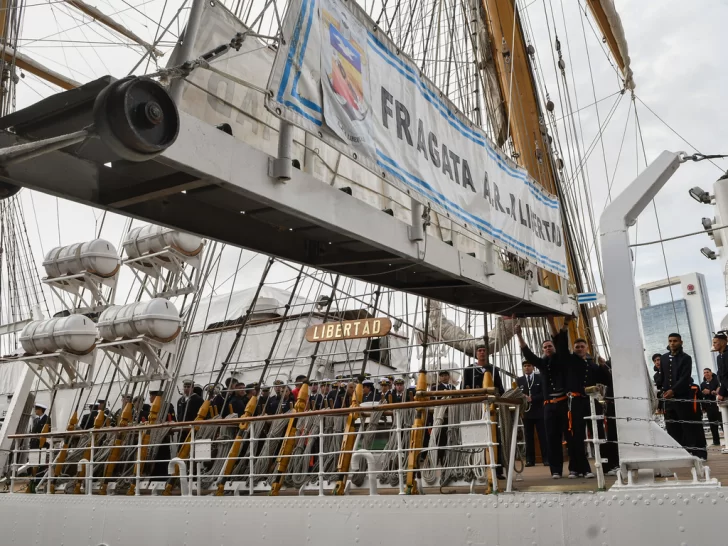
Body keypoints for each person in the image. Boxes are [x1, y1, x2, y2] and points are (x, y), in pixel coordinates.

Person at [516, 316, 574, 479]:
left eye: (550, 346)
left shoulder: (561, 359)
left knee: (570, 437)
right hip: (548, 406)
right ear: (543, 350)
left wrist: (550, 320)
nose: (548, 348)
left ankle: (574, 468)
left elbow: (560, 340)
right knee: (551, 438)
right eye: (545, 347)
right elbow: (527, 352)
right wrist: (519, 336)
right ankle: (555, 470)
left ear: (553, 347)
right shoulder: (541, 364)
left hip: (563, 403)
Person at [660, 333, 707, 460]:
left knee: (689, 425)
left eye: (675, 341)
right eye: (670, 341)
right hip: (668, 399)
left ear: (681, 342)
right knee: (672, 426)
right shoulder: (663, 358)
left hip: (682, 396)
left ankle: (699, 453)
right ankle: (680, 452)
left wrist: (673, 390)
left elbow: (685, 378)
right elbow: (663, 377)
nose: (672, 343)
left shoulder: (686, 358)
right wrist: (662, 392)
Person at [516, 361, 548, 467]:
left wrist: (532, 398)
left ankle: (546, 458)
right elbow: (517, 394)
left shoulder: (539, 378)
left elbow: (544, 393)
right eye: (525, 366)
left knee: (542, 436)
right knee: (528, 437)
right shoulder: (519, 380)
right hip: (526, 412)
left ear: (533, 367)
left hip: (539, 411)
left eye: (529, 365)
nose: (527, 368)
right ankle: (530, 460)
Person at [700, 367, 722, 446]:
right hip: (709, 406)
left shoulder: (716, 381)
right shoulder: (703, 384)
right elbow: (702, 395)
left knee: (722, 423)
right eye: (704, 373)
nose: (706, 374)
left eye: (707, 372)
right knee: (712, 425)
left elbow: (717, 392)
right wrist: (703, 407)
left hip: (717, 405)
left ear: (711, 373)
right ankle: (716, 441)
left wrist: (710, 392)